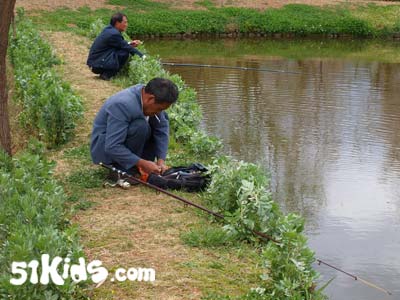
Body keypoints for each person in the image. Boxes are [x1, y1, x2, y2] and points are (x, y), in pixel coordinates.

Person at [90, 78, 179, 177]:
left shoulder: (150, 97)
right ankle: (121, 168)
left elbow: (162, 129)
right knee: (140, 126)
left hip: (127, 145)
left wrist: (161, 160)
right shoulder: (122, 105)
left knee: (155, 120)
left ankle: (139, 166)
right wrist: (142, 163)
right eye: (159, 109)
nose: (159, 112)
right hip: (107, 150)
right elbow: (112, 146)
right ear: (150, 98)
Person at [87, 12, 145, 81]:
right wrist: (142, 56)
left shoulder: (109, 29)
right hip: (97, 65)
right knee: (124, 53)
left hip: (95, 62)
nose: (126, 25)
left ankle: (106, 73)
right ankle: (107, 75)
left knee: (123, 49)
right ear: (117, 23)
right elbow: (125, 47)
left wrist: (130, 43)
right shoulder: (114, 34)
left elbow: (120, 43)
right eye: (125, 22)